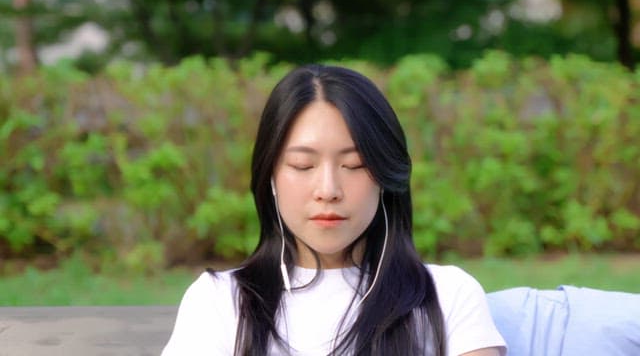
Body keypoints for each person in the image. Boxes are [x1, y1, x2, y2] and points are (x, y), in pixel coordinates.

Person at [162, 64, 507, 356]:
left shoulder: (448, 296)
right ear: (270, 176)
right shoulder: (220, 302)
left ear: (384, 176)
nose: (328, 190)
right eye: (302, 165)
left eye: (354, 165)